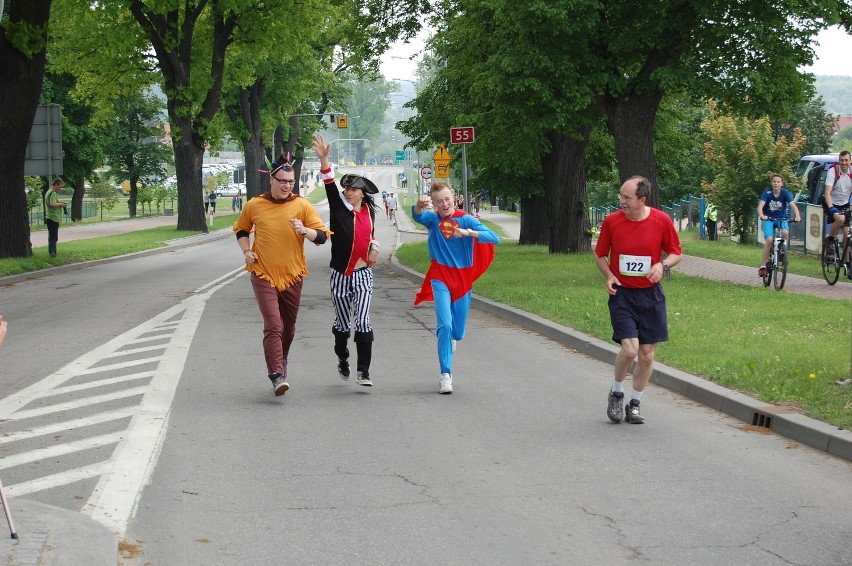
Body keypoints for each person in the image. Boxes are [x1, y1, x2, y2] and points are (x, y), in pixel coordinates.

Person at [234, 152, 330, 397]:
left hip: (293, 275)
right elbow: (242, 229)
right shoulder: (255, 205)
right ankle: (276, 374)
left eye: (291, 181)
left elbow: (321, 236)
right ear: (272, 181)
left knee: (289, 328)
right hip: (263, 273)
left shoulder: (302, 205)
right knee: (273, 325)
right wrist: (246, 251)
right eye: (283, 181)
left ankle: (282, 359)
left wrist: (305, 230)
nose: (287, 185)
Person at [594, 176, 682, 424]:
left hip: (650, 295)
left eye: (626, 197)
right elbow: (600, 254)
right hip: (622, 294)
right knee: (630, 349)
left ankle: (635, 403)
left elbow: (676, 252)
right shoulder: (612, 222)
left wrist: (662, 265)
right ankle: (617, 392)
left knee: (646, 355)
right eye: (621, 196)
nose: (621, 201)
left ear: (642, 199)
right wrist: (610, 275)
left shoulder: (661, 220)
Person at [412, 181, 500, 394]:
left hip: (462, 280)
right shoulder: (433, 220)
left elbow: (494, 237)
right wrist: (418, 206)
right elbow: (417, 216)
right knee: (444, 324)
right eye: (439, 201)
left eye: (447, 199)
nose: (444, 204)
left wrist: (468, 232)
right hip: (440, 276)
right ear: (433, 203)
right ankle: (445, 375)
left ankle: (453, 338)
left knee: (457, 332)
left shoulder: (466, 219)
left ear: (454, 198)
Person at [312, 134, 381, 387]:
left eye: (353, 189)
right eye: (347, 189)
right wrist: (324, 158)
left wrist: (374, 248)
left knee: (362, 320)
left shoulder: (369, 211)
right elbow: (329, 180)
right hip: (340, 274)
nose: (349, 193)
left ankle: (364, 371)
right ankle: (343, 358)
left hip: (363, 273)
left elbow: (372, 236)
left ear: (363, 193)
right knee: (342, 323)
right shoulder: (338, 207)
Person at [757, 174, 801, 277]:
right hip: (769, 219)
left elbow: (793, 205)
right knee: (769, 240)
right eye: (774, 181)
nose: (776, 183)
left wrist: (797, 215)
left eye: (778, 182)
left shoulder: (785, 193)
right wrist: (762, 215)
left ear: (782, 183)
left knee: (785, 233)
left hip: (782, 218)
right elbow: (760, 207)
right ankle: (762, 266)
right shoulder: (767, 193)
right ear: (771, 183)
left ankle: (782, 252)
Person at [823, 150, 852, 262]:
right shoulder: (833, 171)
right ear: (839, 161)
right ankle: (830, 239)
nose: (844, 163)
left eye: (846, 160)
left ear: (850, 161)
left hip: (844, 204)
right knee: (840, 219)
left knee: (846, 234)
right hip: (831, 202)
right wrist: (831, 208)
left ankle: (847, 263)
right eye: (842, 160)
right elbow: (827, 193)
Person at [44, 178, 67, 257]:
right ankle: (52, 253)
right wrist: (61, 204)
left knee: (51, 236)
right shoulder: (53, 193)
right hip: (53, 217)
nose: (60, 188)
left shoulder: (48, 192)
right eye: (60, 186)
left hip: (49, 217)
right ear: (56, 185)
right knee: (53, 237)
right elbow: (52, 204)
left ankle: (52, 252)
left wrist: (59, 203)